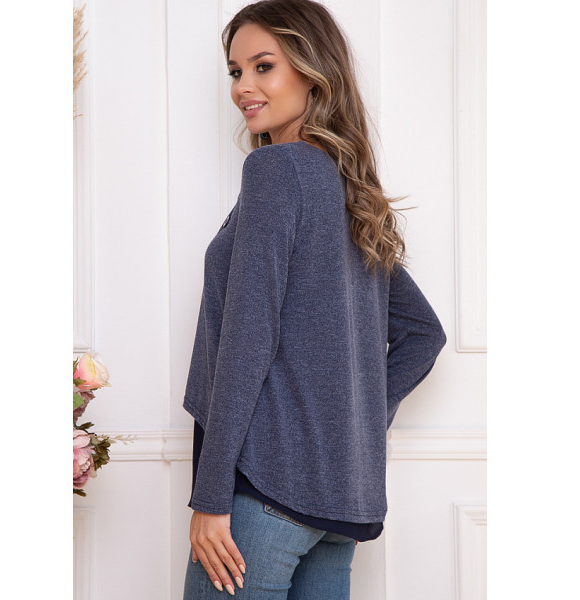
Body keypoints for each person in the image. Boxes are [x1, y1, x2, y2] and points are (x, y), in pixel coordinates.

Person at [181, 0, 446, 597]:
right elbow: (423, 334)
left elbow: (247, 338)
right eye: (235, 71)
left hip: (263, 490)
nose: (242, 87)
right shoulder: (348, 188)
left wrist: (210, 494)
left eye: (263, 66)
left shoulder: (276, 171)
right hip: (336, 504)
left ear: (313, 72)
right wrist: (353, 421)